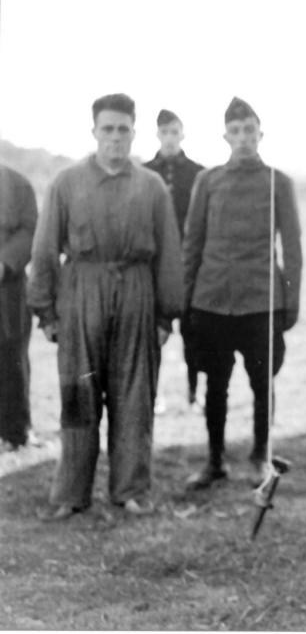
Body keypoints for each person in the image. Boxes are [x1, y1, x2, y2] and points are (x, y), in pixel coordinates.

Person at [28, 93, 183, 520]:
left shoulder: (151, 186)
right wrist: (46, 311)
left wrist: (166, 315)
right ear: (94, 131)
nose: (116, 138)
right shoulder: (66, 183)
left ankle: (130, 489)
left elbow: (169, 253)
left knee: (134, 396)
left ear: (134, 132)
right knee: (78, 394)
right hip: (82, 293)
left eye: (123, 129)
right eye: (108, 129)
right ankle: (71, 493)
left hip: (136, 294)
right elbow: (44, 249)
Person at [182, 97, 302, 489]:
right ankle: (215, 460)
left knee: (262, 384)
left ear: (260, 134)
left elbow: (293, 247)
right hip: (212, 300)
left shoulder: (277, 182)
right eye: (235, 131)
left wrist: (290, 302)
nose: (243, 138)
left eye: (249, 130)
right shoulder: (208, 181)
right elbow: (192, 244)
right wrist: (186, 301)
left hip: (260, 302)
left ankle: (259, 455)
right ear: (225, 136)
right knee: (215, 384)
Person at [143, 109, 205, 410]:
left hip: (189, 264)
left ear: (182, 134)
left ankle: (194, 393)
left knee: (192, 334)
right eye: (164, 132)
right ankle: (154, 393)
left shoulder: (198, 173)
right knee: (154, 331)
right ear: (157, 134)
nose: (169, 138)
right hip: (154, 266)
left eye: (174, 132)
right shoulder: (145, 172)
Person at [0, 164, 38, 451]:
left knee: (12, 354)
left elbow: (29, 229)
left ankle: (15, 430)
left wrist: (4, 262)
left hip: (8, 286)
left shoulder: (17, 183)